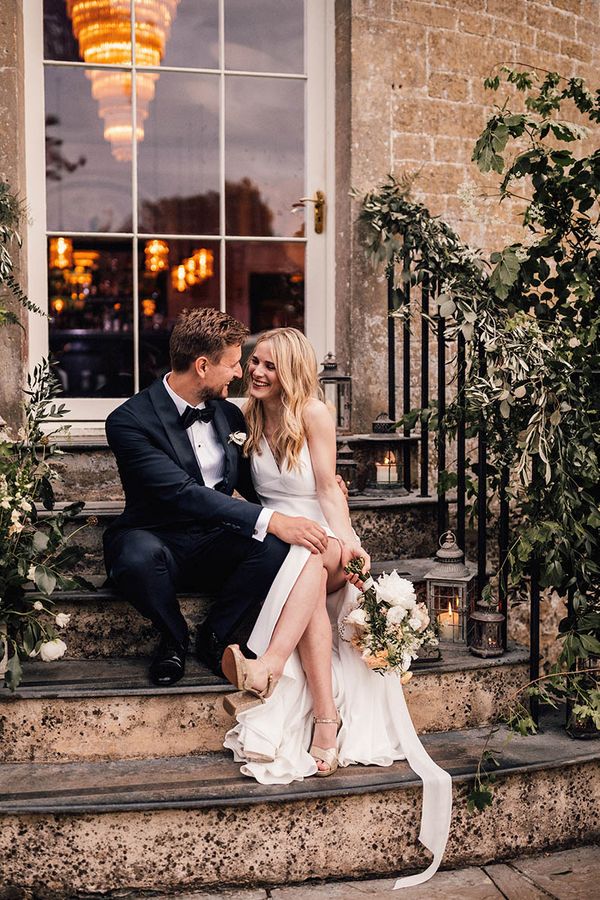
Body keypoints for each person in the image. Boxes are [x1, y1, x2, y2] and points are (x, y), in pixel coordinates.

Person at [221, 328, 452, 890]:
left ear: (293, 370)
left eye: (269, 366)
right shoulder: (245, 417)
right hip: (274, 536)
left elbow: (327, 487)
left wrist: (348, 540)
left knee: (314, 554)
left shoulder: (315, 415)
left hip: (317, 530)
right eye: (253, 362)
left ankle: (269, 667)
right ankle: (327, 719)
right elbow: (249, 491)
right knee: (309, 590)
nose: (256, 372)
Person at [103, 308, 332, 687]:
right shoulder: (129, 421)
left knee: (276, 548)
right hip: (157, 536)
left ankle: (215, 635)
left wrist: (316, 488)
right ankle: (174, 639)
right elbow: (181, 492)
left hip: (214, 538)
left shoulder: (229, 415)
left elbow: (258, 478)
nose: (242, 373)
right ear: (203, 366)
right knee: (137, 557)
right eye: (234, 364)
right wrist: (274, 520)